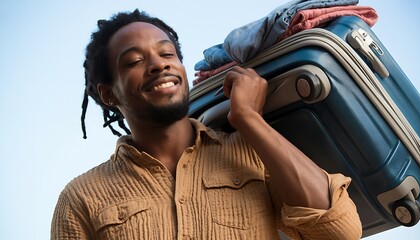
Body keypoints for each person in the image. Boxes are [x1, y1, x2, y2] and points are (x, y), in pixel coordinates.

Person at [51, 9, 362, 239]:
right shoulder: (82, 197)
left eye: (167, 53)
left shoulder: (252, 152)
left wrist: (249, 119)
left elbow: (341, 232)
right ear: (107, 94)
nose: (159, 64)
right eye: (134, 61)